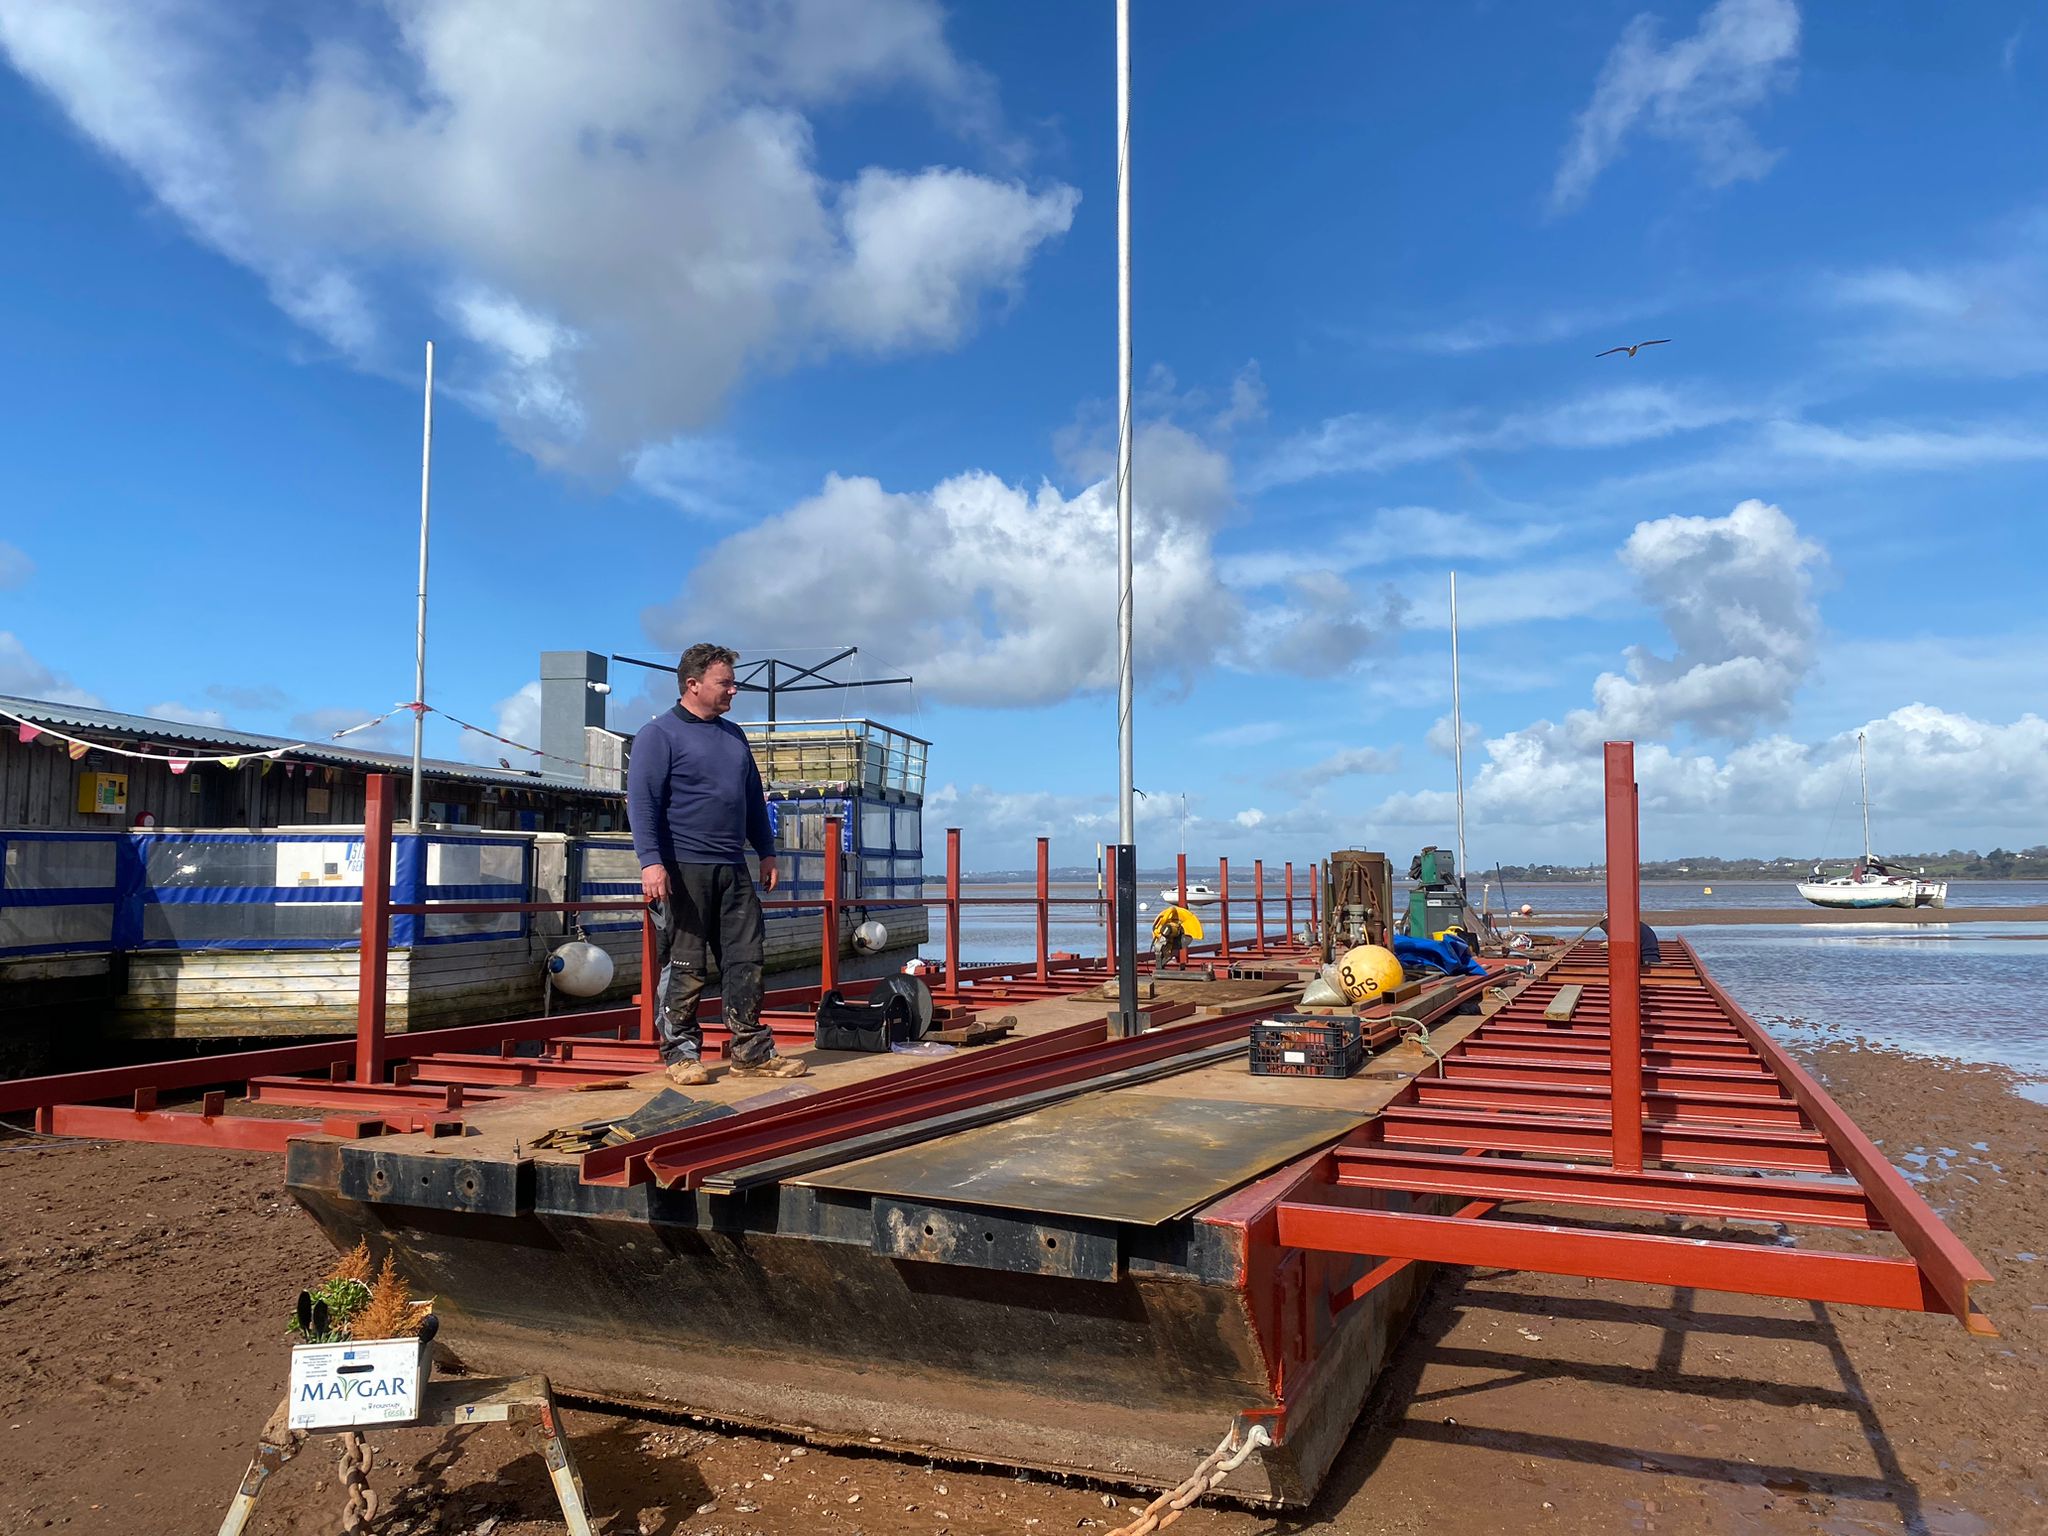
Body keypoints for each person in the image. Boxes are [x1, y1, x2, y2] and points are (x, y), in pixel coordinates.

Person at [628, 643, 807, 1086]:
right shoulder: (659, 735)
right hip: (683, 868)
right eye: (724, 682)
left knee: (747, 959)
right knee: (686, 963)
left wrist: (766, 850)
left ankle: (750, 1051)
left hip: (732, 867)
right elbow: (642, 804)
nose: (734, 689)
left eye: (732, 682)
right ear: (693, 685)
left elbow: (751, 799)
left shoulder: (733, 736)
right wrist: (651, 863)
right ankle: (682, 1054)